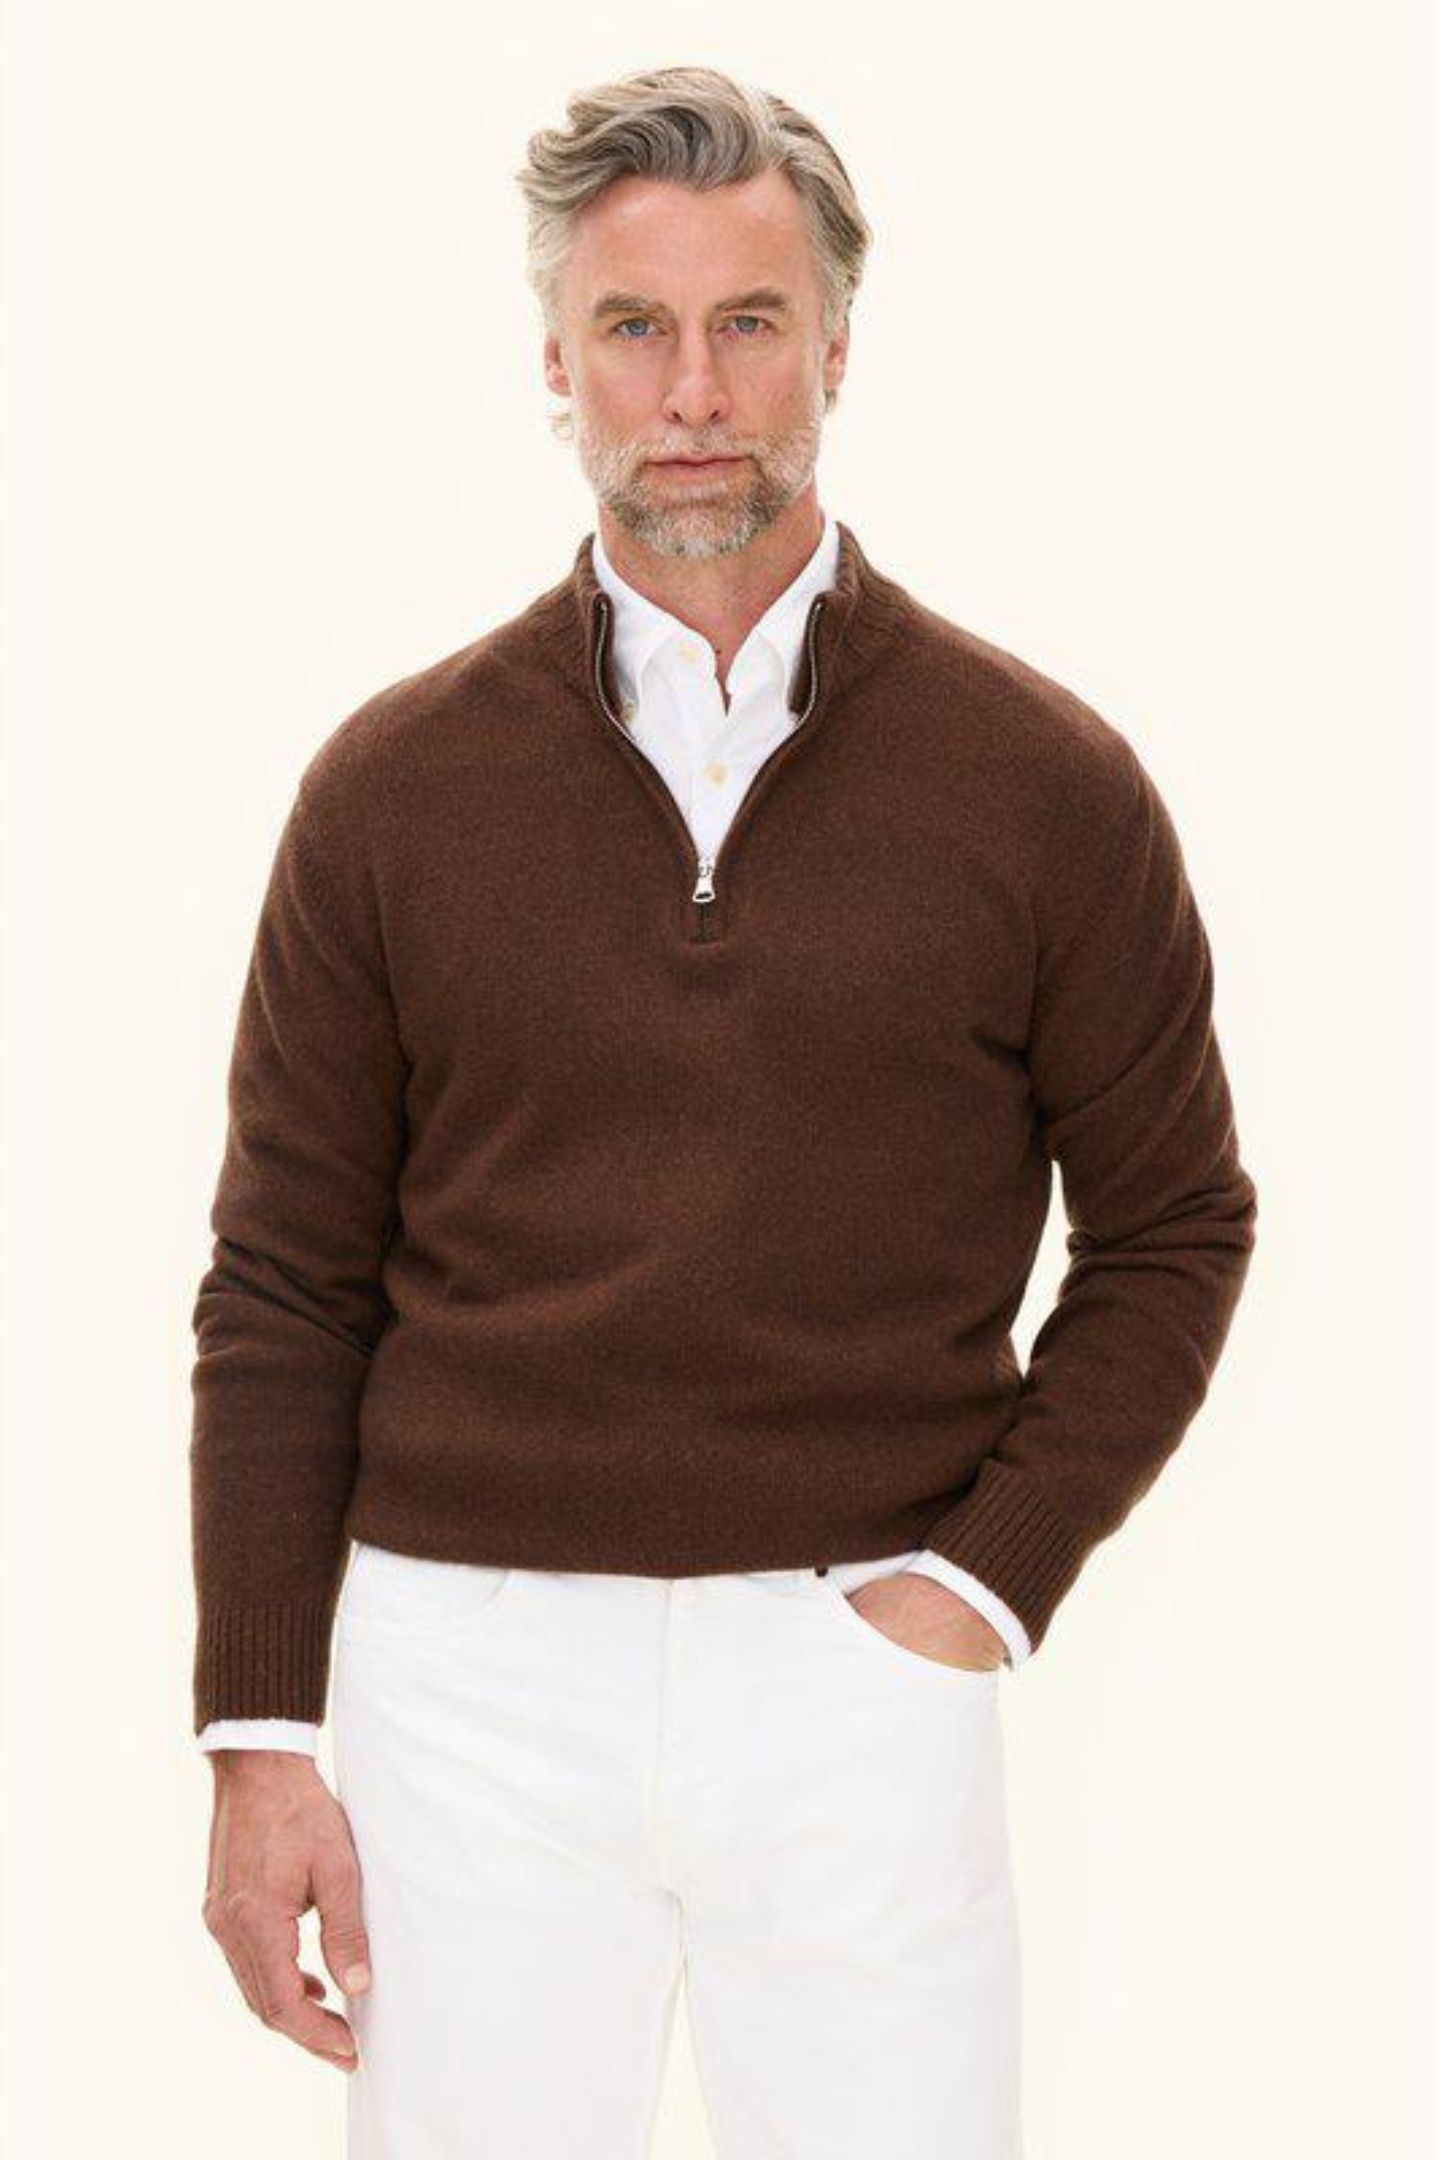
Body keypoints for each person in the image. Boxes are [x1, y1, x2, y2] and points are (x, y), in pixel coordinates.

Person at [191, 64, 1258, 2159]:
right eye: (635, 326)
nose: (693, 391)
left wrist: (977, 1588)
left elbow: (1175, 1230)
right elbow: (286, 1282)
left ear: (837, 348)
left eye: (749, 321)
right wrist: (258, 1726)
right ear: (555, 361)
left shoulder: (1042, 786)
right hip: (466, 1680)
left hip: (862, 1660)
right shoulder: (393, 793)